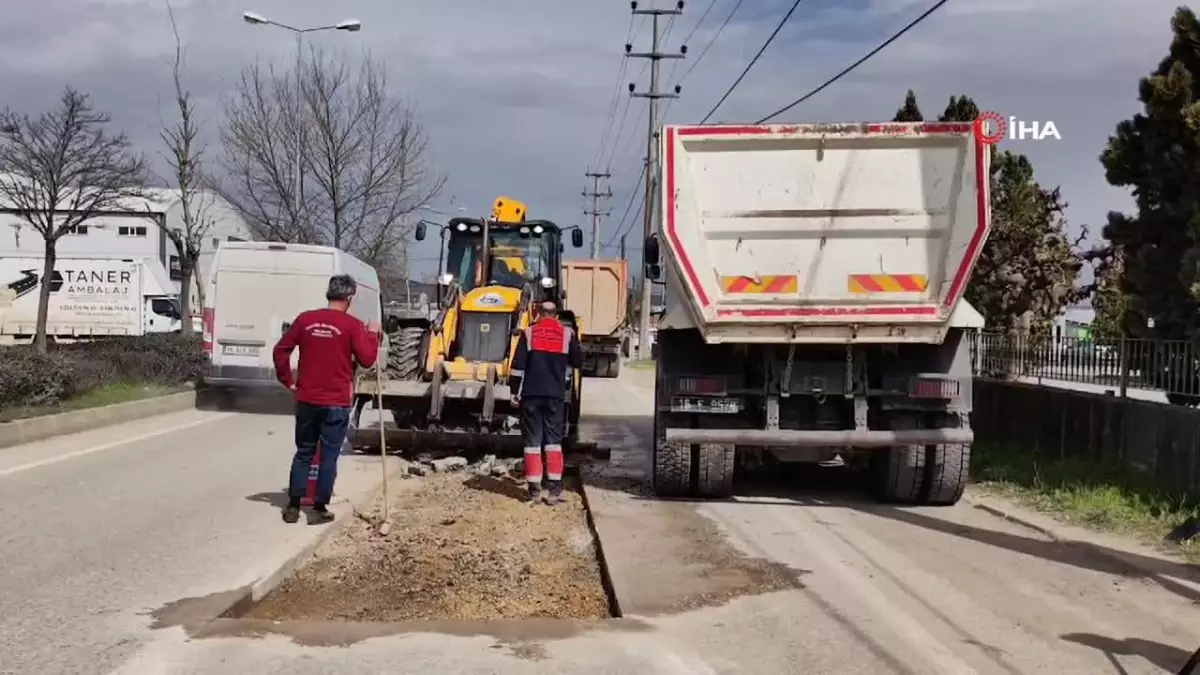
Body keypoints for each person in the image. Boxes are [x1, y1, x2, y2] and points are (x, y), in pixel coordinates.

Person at [273, 274, 380, 524]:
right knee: (329, 456)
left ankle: (293, 506)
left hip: (307, 399)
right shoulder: (352, 325)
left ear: (329, 294)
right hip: (336, 403)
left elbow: (281, 350)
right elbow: (367, 359)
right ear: (349, 298)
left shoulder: (305, 320)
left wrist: (287, 379)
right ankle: (319, 508)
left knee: (304, 452)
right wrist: (373, 334)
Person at [509, 300, 583, 504]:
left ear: (539, 314)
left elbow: (517, 367)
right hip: (555, 397)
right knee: (553, 443)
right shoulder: (567, 334)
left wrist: (514, 391)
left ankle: (534, 490)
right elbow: (577, 362)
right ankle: (554, 491)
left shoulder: (529, 333)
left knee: (532, 444)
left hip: (531, 396)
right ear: (556, 316)